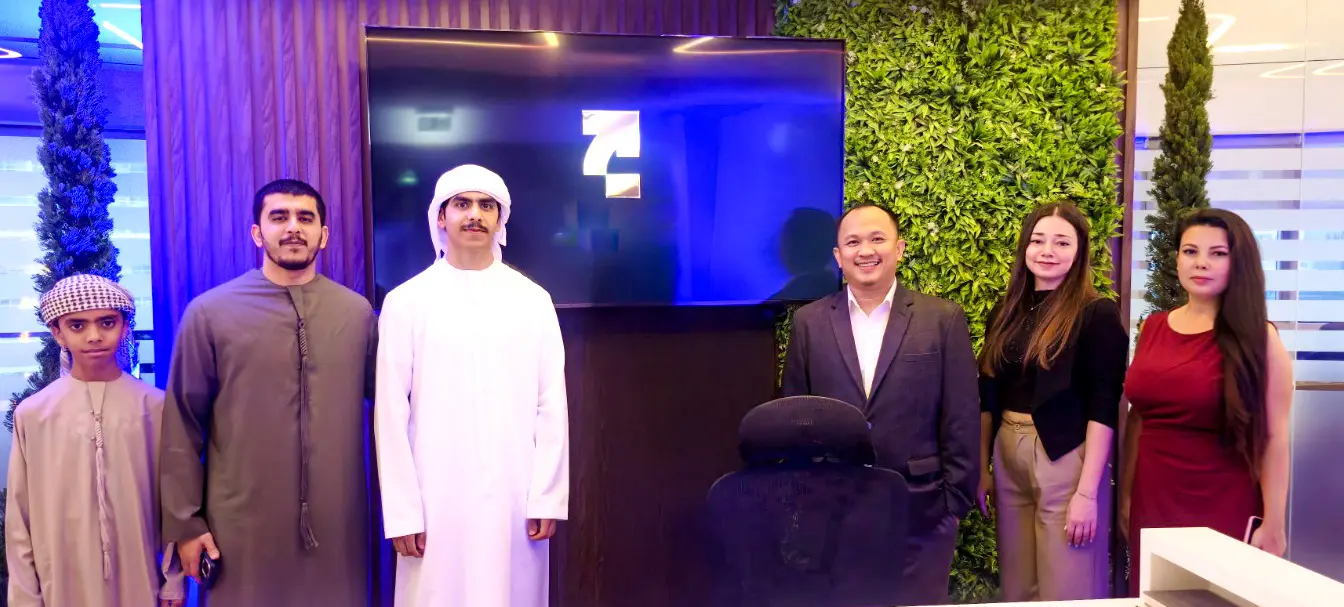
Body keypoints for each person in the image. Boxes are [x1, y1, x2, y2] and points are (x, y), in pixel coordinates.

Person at [159, 179, 379, 605]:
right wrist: (186, 525)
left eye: (305, 218)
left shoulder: (356, 315)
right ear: (257, 233)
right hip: (239, 529)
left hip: (338, 527)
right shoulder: (210, 313)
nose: (293, 227)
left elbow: (391, 413)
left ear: (323, 235)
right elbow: (181, 426)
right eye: (279, 217)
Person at [375, 164, 569, 606]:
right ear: (440, 217)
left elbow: (551, 405)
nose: (475, 215)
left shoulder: (533, 300)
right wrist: (403, 512)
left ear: (501, 220)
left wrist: (547, 497)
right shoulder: (406, 302)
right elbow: (390, 412)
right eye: (462, 204)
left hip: (514, 496)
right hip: (434, 497)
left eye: (487, 205)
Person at [781, 203, 979, 605]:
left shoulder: (942, 319)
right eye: (853, 242)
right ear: (838, 256)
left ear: (899, 248)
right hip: (835, 517)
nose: (865, 250)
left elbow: (961, 417)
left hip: (921, 513)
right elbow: (795, 419)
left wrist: (953, 505)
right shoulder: (809, 323)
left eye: (877, 239)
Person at [1121, 208, 1293, 596]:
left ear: (1238, 262)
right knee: (1154, 596)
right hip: (1154, 495)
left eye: (1217, 253)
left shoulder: (1260, 339)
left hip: (1224, 498)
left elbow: (1275, 437)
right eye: (1190, 251)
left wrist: (1274, 522)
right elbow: (1139, 417)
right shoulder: (1152, 327)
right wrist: (1126, 496)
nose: (1201, 263)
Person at [975, 202, 1128, 601]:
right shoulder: (1006, 311)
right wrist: (982, 467)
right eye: (1038, 240)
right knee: (1017, 586)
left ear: (1079, 251)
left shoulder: (1096, 313)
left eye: (1062, 242)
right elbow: (987, 393)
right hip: (1008, 451)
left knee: (1067, 588)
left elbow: (1104, 406)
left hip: (1065, 455)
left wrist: (1087, 493)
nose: (1047, 251)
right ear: (1025, 247)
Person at [6, 274, 184, 607]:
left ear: (124, 326)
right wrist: (25, 597)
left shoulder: (155, 407)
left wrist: (173, 581)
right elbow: (20, 516)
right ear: (57, 332)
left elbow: (175, 503)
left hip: (139, 577)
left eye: (107, 323)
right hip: (60, 580)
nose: (94, 336)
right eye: (77, 326)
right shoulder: (34, 414)